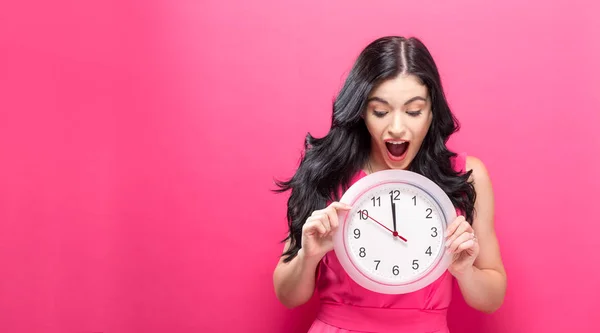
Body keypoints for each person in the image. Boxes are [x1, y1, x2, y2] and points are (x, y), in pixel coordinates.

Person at [272, 36, 507, 333]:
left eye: (413, 111)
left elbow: (492, 298)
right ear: (360, 111)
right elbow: (288, 295)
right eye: (380, 111)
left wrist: (464, 272)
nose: (396, 128)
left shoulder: (467, 174)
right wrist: (308, 256)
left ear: (433, 111)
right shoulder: (326, 172)